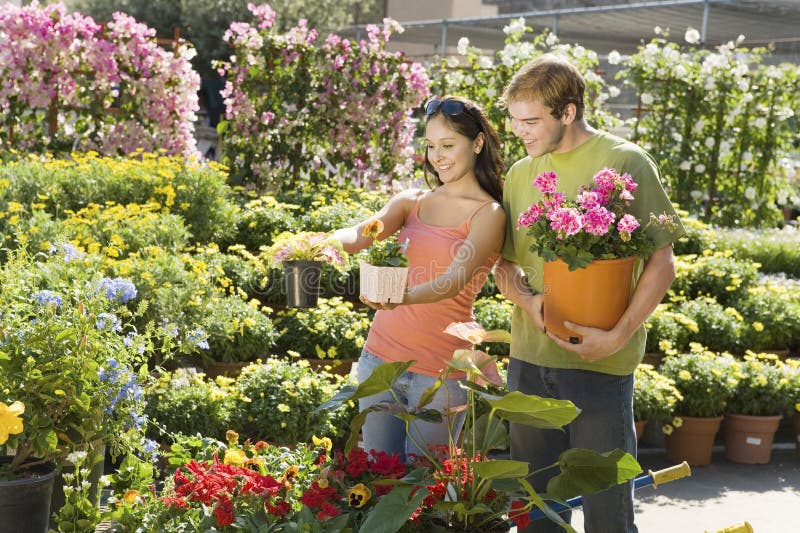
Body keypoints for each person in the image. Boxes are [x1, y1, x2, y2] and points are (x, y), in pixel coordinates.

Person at [493, 55, 685, 533]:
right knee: (537, 516)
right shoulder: (521, 172)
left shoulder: (624, 161)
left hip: (600, 366)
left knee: (608, 517)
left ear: (568, 111)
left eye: (531, 120)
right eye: (514, 120)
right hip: (529, 364)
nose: (520, 131)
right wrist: (527, 301)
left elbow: (663, 261)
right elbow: (504, 264)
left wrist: (619, 336)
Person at [331, 96, 506, 461]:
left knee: (421, 491)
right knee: (378, 476)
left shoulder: (488, 214)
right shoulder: (412, 202)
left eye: (448, 145)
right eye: (430, 146)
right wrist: (316, 243)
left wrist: (398, 297)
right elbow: (360, 234)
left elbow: (454, 281)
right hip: (379, 360)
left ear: (476, 144)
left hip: (440, 376)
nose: (437, 156)